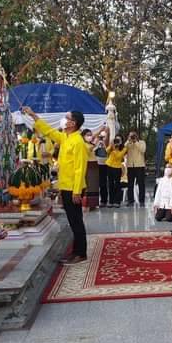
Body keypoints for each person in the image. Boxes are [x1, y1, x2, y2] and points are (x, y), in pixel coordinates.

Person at [24, 106, 88, 264]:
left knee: (76, 221)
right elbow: (49, 131)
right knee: (72, 220)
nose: (64, 120)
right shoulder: (65, 137)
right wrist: (33, 115)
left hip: (74, 188)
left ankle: (80, 253)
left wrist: (77, 191)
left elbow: (80, 169)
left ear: (73, 123)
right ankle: (77, 250)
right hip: (66, 186)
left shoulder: (78, 142)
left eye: (67, 117)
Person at [81, 128, 105, 210]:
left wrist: (101, 130)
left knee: (94, 185)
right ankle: (86, 204)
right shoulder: (82, 144)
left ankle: (93, 204)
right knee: (89, 184)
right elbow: (88, 150)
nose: (90, 136)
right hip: (88, 164)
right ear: (83, 136)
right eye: (88, 135)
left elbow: (95, 137)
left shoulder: (91, 143)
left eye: (90, 135)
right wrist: (96, 144)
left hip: (94, 164)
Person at [125, 131, 146, 205]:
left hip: (140, 165)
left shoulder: (142, 142)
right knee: (130, 184)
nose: (132, 137)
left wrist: (135, 142)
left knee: (141, 184)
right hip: (130, 166)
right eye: (130, 136)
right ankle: (130, 200)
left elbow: (143, 150)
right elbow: (124, 148)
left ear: (137, 136)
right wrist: (128, 140)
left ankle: (142, 201)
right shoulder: (128, 143)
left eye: (133, 135)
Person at [106, 136, 127, 208]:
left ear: (121, 141)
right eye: (116, 140)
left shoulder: (124, 148)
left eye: (119, 140)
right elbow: (107, 151)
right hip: (109, 165)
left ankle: (117, 201)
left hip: (117, 167)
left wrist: (115, 148)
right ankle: (110, 201)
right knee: (110, 184)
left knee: (117, 184)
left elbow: (119, 156)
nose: (117, 141)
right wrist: (111, 145)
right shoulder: (112, 146)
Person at [95, 132, 109, 206]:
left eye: (103, 137)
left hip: (104, 165)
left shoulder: (108, 143)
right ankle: (94, 200)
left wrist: (104, 145)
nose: (101, 138)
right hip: (96, 164)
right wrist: (97, 145)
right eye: (100, 137)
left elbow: (108, 153)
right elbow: (92, 151)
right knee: (94, 184)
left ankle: (104, 200)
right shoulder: (95, 143)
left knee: (103, 183)